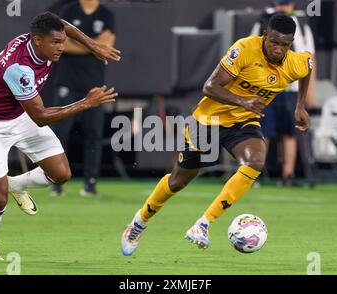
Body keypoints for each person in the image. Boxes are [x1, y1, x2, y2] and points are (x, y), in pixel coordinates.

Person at [120, 14, 313, 256]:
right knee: (178, 181)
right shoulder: (244, 49)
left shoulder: (295, 62)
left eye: (285, 45)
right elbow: (210, 87)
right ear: (265, 35)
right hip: (208, 121)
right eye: (274, 42)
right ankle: (138, 223)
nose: (278, 49)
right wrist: (244, 100)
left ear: (292, 43)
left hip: (243, 121)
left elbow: (308, 67)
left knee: (255, 161)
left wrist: (300, 106)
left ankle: (203, 224)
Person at [0, 12, 120, 261]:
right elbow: (40, 116)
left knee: (61, 174)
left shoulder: (40, 39)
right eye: (56, 43)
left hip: (20, 116)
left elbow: (63, 25)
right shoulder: (19, 68)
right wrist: (85, 103)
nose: (62, 47)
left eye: (62, 42)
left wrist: (93, 46)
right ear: (38, 41)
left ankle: (15, 185)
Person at [51, 0, 116, 197]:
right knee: (60, 135)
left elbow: (108, 44)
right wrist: (95, 46)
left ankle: (90, 183)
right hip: (68, 82)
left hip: (94, 84)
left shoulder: (106, 14)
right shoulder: (68, 11)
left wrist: (79, 43)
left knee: (93, 135)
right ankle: (56, 181)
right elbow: (62, 44)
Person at [251, 0, 315, 186]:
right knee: (263, 130)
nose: (283, 6)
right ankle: (255, 173)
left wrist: (309, 91)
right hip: (265, 87)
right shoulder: (262, 22)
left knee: (290, 131)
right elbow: (251, 53)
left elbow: (309, 59)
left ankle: (288, 174)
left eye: (286, 3)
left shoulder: (301, 25)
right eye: (280, 3)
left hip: (292, 87)